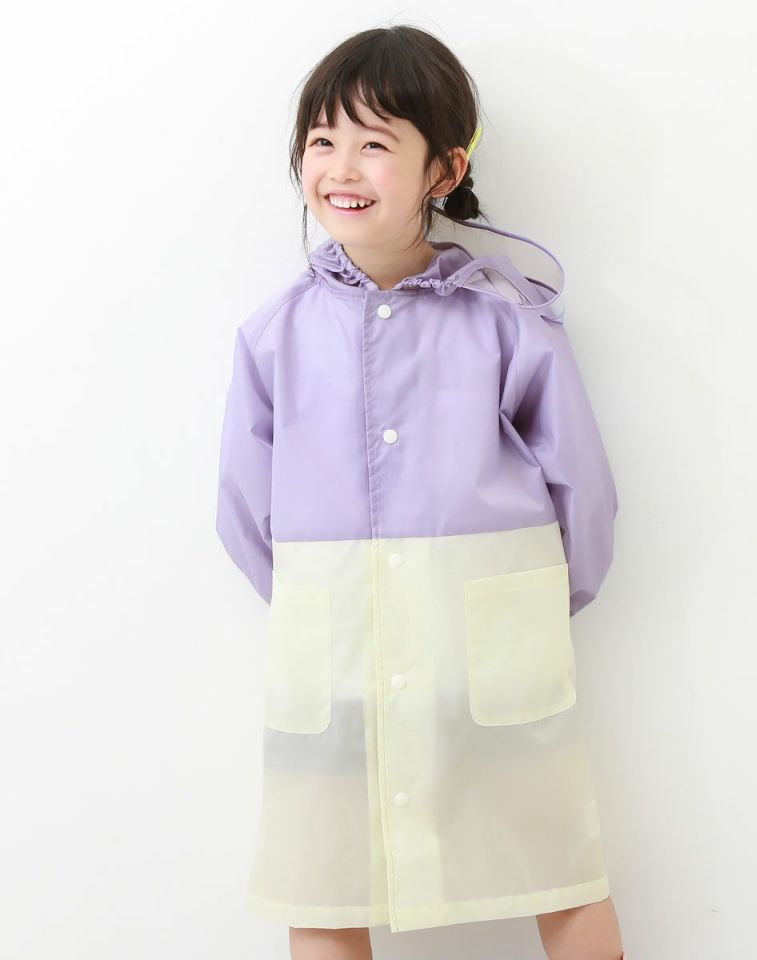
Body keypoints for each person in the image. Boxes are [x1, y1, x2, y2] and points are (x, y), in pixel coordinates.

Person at [215, 24, 625, 960]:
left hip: (486, 646)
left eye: (375, 142)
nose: (340, 167)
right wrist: (322, 608)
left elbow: (583, 488)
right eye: (322, 140)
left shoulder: (507, 320)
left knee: (557, 859)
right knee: (322, 875)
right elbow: (244, 509)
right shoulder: (276, 335)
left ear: (444, 169)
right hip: (338, 650)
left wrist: (527, 613)